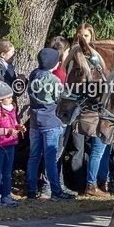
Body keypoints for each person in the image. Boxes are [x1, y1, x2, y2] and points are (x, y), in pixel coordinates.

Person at [27, 48, 74, 200]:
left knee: (34, 156)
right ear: (53, 63)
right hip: (51, 122)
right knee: (50, 158)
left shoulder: (33, 74)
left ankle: (31, 190)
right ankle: (56, 190)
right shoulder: (53, 80)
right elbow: (60, 98)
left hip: (35, 121)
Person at [0, 81, 21, 207]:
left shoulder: (11, 109)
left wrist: (18, 127)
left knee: (7, 172)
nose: (11, 99)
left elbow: (14, 123)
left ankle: (7, 195)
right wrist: (7, 131)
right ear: (1, 99)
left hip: (10, 144)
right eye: (9, 97)